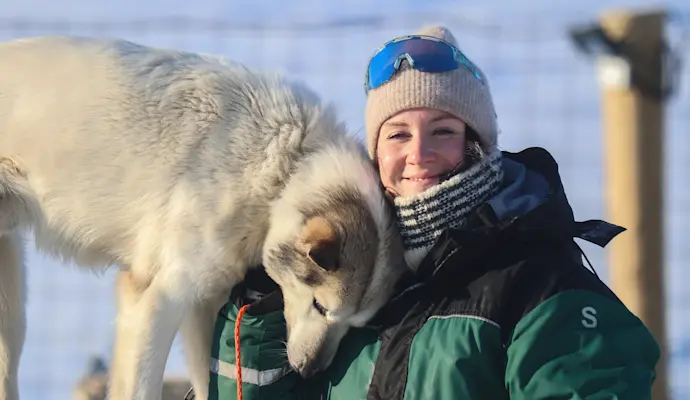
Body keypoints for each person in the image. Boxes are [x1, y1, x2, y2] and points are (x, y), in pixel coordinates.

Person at [198, 25, 661, 400]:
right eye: (397, 135)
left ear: (475, 144)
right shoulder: (352, 278)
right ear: (376, 154)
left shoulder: (541, 287)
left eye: (442, 132)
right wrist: (264, 303)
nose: (418, 154)